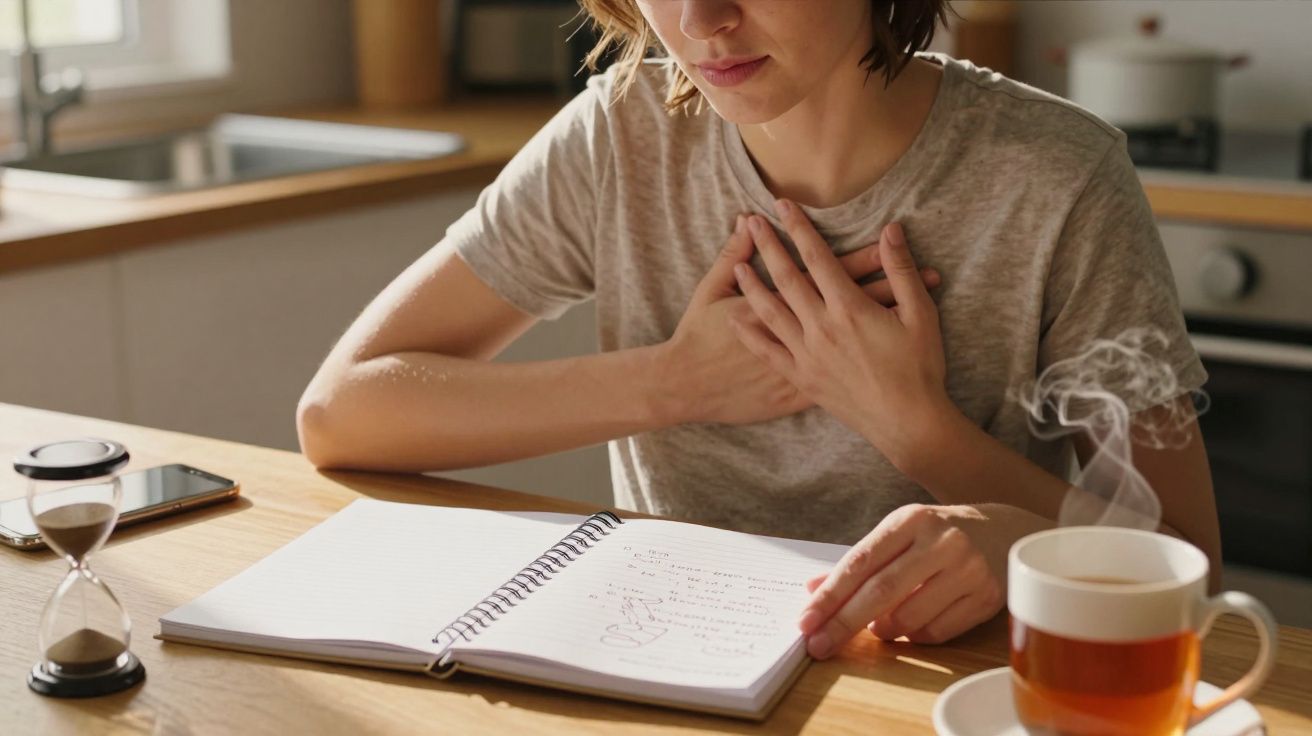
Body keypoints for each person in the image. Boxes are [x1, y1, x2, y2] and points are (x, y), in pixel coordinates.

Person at [297, 0, 1221, 658]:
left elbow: (1187, 566)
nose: (700, 20)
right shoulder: (619, 138)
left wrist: (936, 452)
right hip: (661, 674)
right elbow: (341, 414)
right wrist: (674, 382)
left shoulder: (1059, 176)